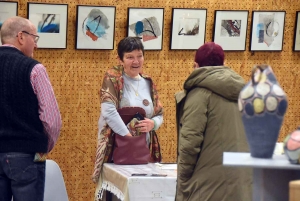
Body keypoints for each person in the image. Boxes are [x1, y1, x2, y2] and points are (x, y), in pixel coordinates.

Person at [175, 42, 252, 201]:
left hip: (209, 184)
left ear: (195, 65)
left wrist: (183, 182)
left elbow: (190, 143)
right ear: (224, 64)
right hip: (245, 180)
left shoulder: (199, 95)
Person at [92, 36, 164, 200]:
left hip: (142, 150)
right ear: (120, 59)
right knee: (115, 193)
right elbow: (109, 111)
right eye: (130, 57)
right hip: (116, 147)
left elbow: (159, 114)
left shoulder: (148, 82)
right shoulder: (113, 78)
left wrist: (153, 124)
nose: (136, 61)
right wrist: (129, 138)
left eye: (139, 56)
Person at [0, 16, 62, 201]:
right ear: (21, 36)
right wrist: (44, 146)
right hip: (25, 155)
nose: (36, 45)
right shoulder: (35, 69)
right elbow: (51, 119)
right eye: (34, 39)